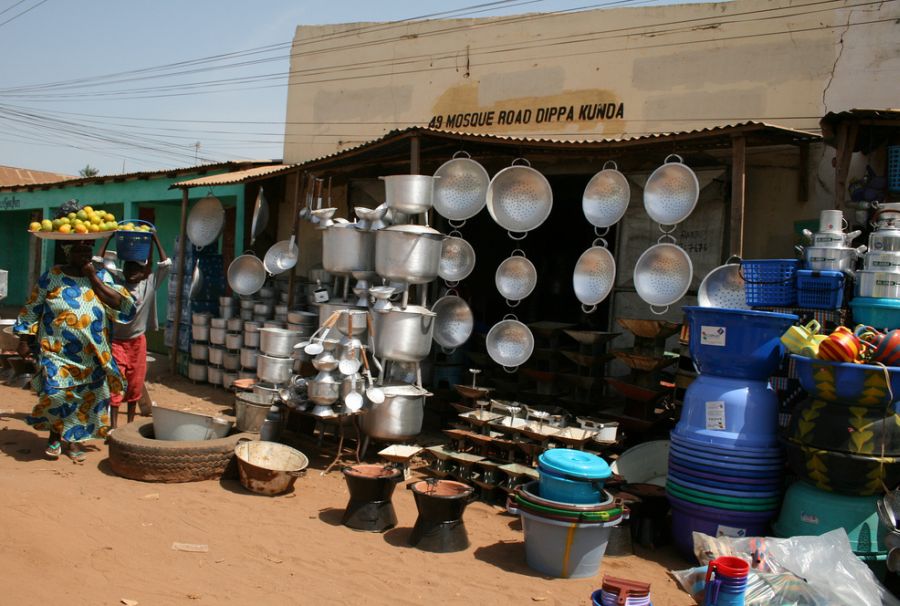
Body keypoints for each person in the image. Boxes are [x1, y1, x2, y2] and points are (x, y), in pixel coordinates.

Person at [15, 229, 136, 462]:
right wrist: (23, 339)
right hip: (56, 351)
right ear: (68, 253)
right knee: (56, 394)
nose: (84, 255)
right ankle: (54, 434)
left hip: (92, 354)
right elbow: (33, 307)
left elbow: (119, 304)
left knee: (84, 399)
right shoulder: (52, 276)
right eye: (79, 251)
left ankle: (73, 441)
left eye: (87, 251)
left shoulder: (102, 276)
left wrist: (92, 277)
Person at [100, 231, 170, 429]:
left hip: (137, 342)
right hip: (116, 342)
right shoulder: (115, 284)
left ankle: (129, 425)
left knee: (135, 385)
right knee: (116, 383)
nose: (132, 271)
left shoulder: (149, 284)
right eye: (128, 267)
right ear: (123, 269)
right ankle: (114, 427)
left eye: (137, 268)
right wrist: (109, 237)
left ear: (144, 272)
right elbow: (98, 264)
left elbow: (165, 264)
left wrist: (155, 238)